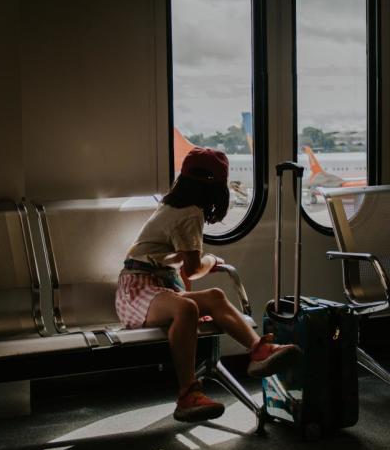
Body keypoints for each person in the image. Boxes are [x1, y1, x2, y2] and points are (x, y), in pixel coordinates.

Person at [115, 147, 302, 422]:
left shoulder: (172, 205)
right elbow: (192, 268)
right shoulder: (190, 213)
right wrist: (211, 259)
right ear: (217, 188)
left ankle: (258, 350)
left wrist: (188, 279)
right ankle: (187, 394)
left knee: (214, 295)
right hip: (137, 291)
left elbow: (180, 268)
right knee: (187, 309)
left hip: (156, 287)